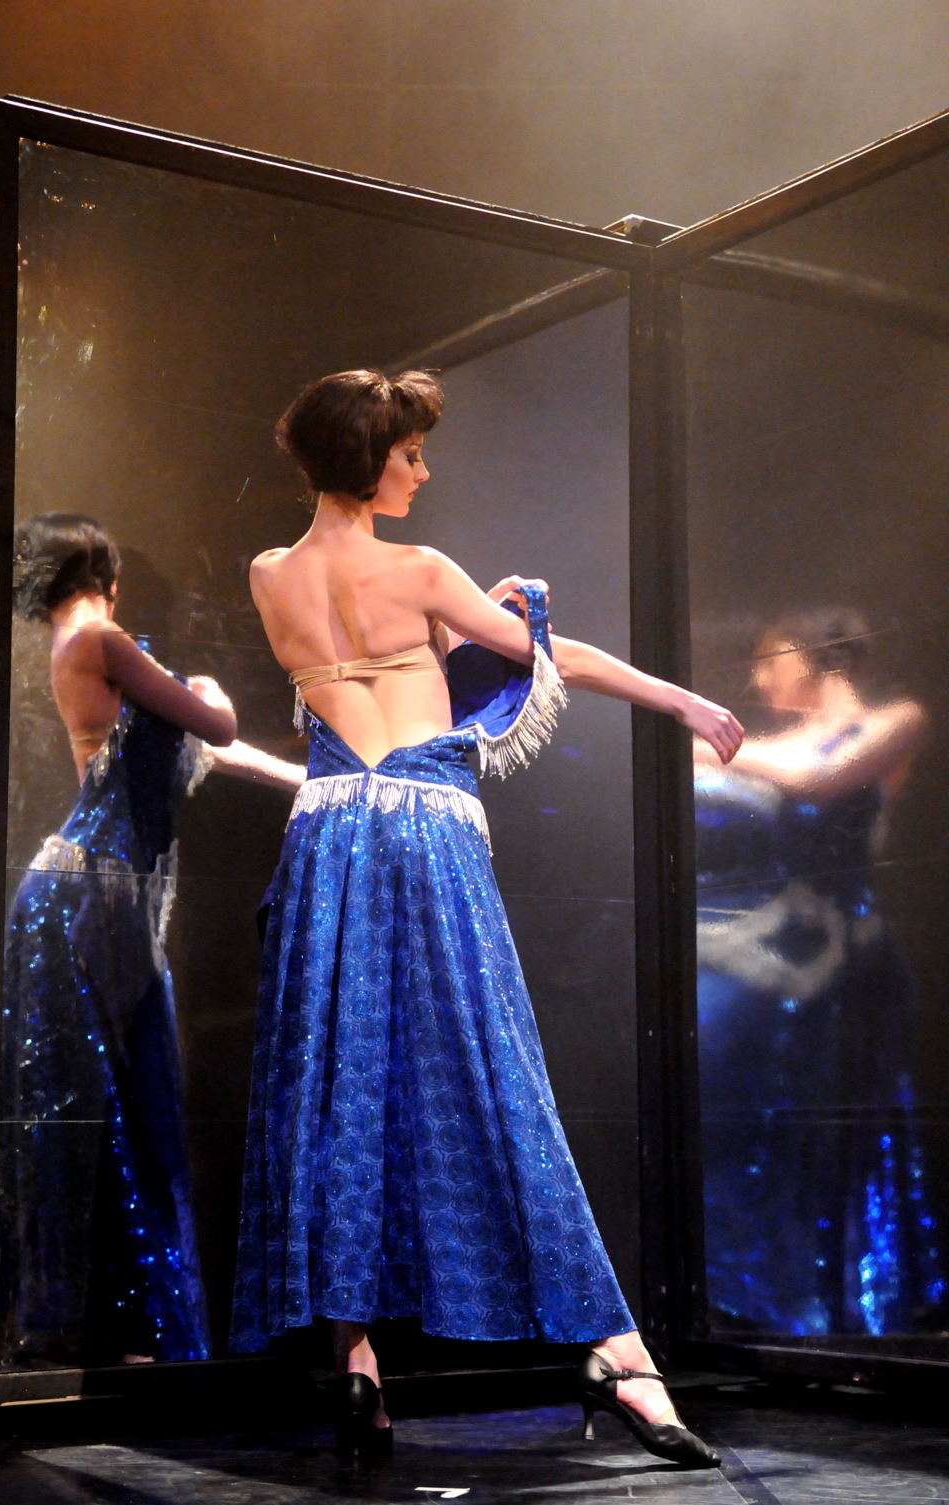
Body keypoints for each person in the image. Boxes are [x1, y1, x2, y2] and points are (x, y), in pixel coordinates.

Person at [230, 370, 742, 1465]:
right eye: (408, 452)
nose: (422, 470)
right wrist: (681, 699)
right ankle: (621, 1356)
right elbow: (555, 660)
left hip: (326, 836)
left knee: (334, 1086)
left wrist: (466, 629)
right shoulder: (419, 568)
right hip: (424, 836)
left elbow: (371, 677)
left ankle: (355, 1361)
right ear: (368, 458)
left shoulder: (270, 573)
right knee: (496, 1075)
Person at [0, 513, 304, 1369]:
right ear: (106, 574)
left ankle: (103, 1323)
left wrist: (313, 781)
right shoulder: (103, 639)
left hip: (98, 898)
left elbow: (206, 753)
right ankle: (91, 1323)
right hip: (86, 896)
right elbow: (217, 724)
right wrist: (211, 686)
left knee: (107, 1104)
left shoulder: (89, 654)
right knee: (105, 1105)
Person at [694, 609, 942, 1335]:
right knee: (758, 1124)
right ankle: (763, 1298)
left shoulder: (896, 720)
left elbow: (818, 779)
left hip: (849, 963)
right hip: (776, 961)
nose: (759, 680)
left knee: (835, 1131)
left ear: (815, 656)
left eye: (771, 661)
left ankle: (839, 1302)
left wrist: (720, 749)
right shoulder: (774, 745)